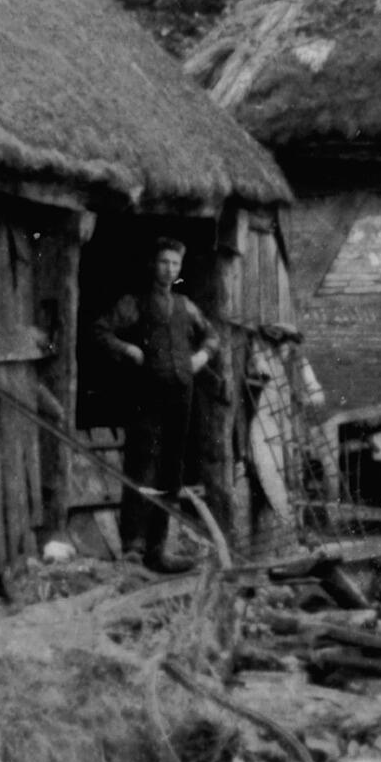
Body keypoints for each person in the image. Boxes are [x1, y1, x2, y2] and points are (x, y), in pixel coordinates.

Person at [93, 237, 219, 571]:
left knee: (171, 470)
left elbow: (212, 336)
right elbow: (101, 330)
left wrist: (201, 357)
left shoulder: (185, 306)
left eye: (175, 264)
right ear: (153, 264)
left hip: (181, 395)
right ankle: (133, 548)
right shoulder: (134, 302)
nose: (169, 269)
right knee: (142, 465)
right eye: (164, 262)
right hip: (146, 395)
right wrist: (127, 349)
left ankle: (158, 549)